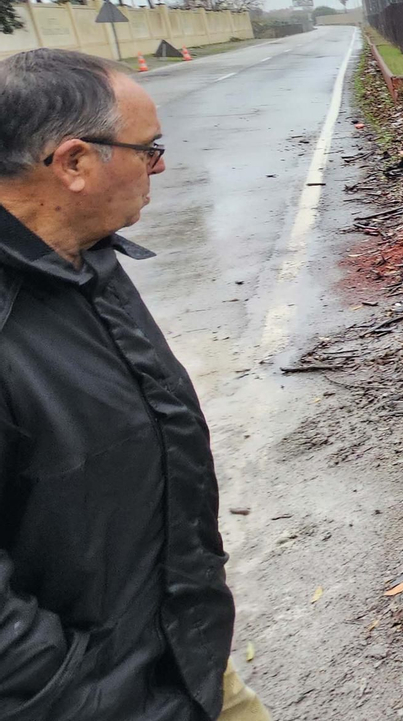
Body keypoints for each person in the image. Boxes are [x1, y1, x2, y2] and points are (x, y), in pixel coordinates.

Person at [0, 49, 266, 721]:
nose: (161, 166)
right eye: (148, 150)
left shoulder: (83, 260)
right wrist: (111, 699)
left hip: (175, 651)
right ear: (75, 164)